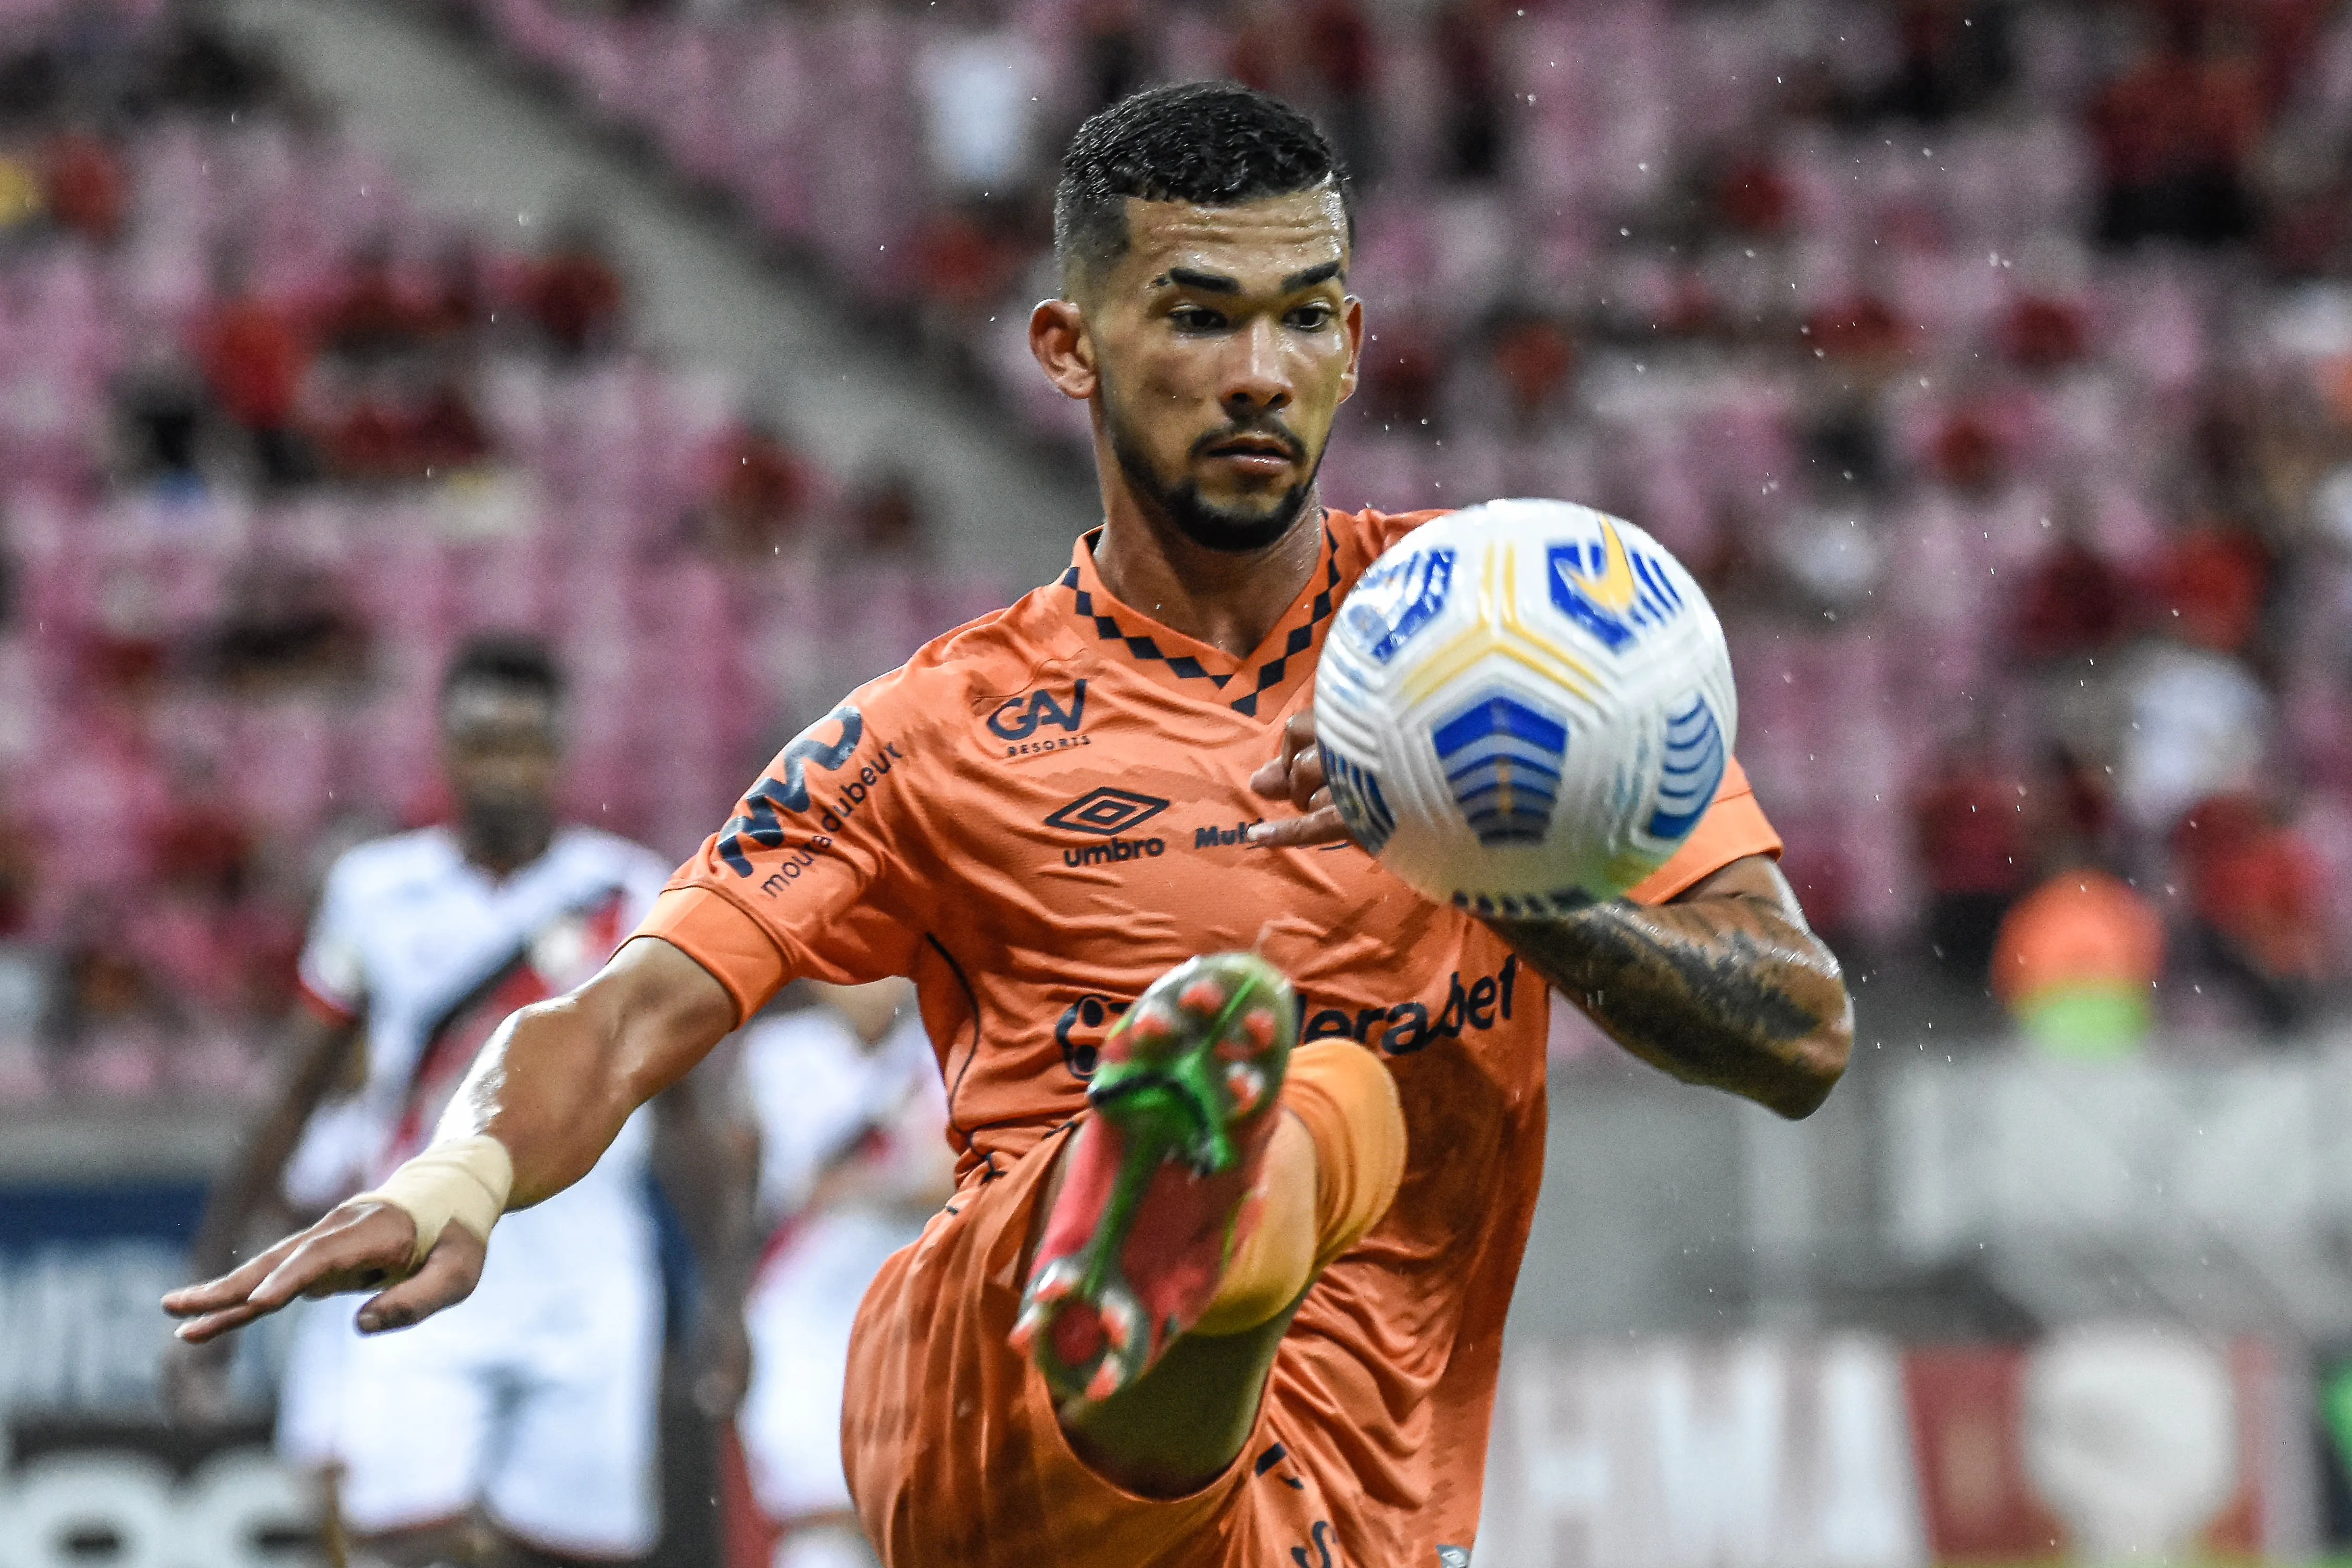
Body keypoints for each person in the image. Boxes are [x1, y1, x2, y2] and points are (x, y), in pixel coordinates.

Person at [168, 86, 1852, 1567]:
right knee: (1330, 1090)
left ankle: (1205, 1208)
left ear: (1354, 338)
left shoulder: (1541, 646)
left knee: (1325, 1113)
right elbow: (624, 1011)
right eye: (1195, 315)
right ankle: (1178, 1191)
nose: (1257, 373)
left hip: (1346, 1505)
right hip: (998, 1425)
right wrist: (463, 1168)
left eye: (1301, 316)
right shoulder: (936, 734)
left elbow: (1793, 1032)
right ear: (1068, 346)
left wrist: (1503, 877)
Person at [169, 635, 752, 1568]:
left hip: (590, 1287)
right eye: (482, 743)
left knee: (566, 1557)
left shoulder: (634, 890)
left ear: (560, 755)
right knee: (399, 1545)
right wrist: (220, 1260)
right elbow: (292, 1094)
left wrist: (727, 1297)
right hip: (423, 1268)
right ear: (445, 750)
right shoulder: (374, 890)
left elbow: (687, 1116)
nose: (503, 769)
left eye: (524, 745)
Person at [733, 978, 951, 1568]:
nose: (870, 982)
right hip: (808, 1300)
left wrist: (873, 1184)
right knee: (819, 1518)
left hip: (920, 1306)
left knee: (921, 1516)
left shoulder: (949, 1051)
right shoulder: (780, 1052)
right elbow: (787, 1182)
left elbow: (950, 1174)